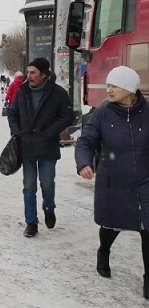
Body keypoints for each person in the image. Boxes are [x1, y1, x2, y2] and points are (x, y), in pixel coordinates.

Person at [75, 66, 149, 298]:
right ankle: (104, 251)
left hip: (144, 182)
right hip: (114, 180)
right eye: (108, 85)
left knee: (147, 230)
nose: (108, 89)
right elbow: (85, 141)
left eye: (114, 85)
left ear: (129, 89)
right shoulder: (102, 113)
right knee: (110, 226)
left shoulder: (147, 113)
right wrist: (84, 162)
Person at [7, 57, 73, 238]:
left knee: (47, 182)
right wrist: (16, 131)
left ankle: (49, 207)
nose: (29, 76)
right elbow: (12, 113)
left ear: (44, 74)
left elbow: (67, 116)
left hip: (47, 146)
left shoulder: (58, 93)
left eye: (33, 72)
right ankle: (31, 222)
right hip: (26, 145)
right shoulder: (22, 92)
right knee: (29, 186)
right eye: (28, 72)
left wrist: (49, 132)